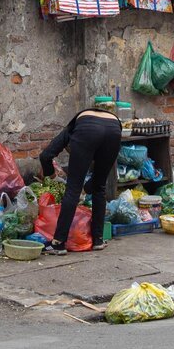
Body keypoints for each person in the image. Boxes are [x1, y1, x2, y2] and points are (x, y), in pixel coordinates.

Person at [36, 97, 123, 256]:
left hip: (89, 129)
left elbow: (45, 156)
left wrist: (51, 174)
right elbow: (97, 179)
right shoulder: (83, 124)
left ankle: (58, 243)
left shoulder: (73, 128)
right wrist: (87, 188)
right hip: (114, 128)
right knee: (100, 187)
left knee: (72, 190)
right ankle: (97, 240)